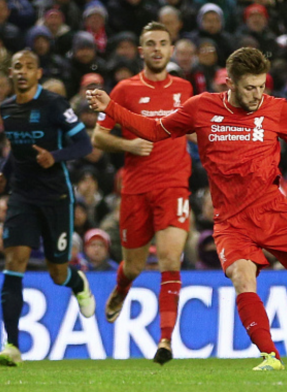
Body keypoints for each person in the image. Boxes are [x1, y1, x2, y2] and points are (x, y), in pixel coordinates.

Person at [88, 47, 287, 371]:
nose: (257, 94)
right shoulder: (200, 108)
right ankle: (270, 356)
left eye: (262, 86)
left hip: (274, 214)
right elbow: (153, 130)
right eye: (250, 88)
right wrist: (113, 109)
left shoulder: (277, 110)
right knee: (241, 277)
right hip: (231, 222)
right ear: (229, 82)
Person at [92, 22, 193, 366]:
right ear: (141, 51)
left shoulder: (184, 88)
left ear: (170, 49)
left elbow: (195, 130)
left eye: (163, 43)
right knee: (134, 266)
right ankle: (122, 287)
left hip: (174, 185)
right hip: (136, 189)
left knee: (169, 259)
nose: (157, 49)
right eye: (150, 43)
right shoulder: (124, 90)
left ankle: (165, 339)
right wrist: (127, 143)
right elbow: (98, 136)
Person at [0, 49, 95, 367]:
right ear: (11, 73)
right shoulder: (6, 108)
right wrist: (4, 175)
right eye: (17, 67)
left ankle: (78, 283)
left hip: (55, 197)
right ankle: (12, 345)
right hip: (22, 195)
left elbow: (84, 144)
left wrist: (55, 157)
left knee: (57, 272)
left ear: (38, 73)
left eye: (29, 67)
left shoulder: (53, 105)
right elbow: (18, 150)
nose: (22, 71)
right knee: (15, 259)